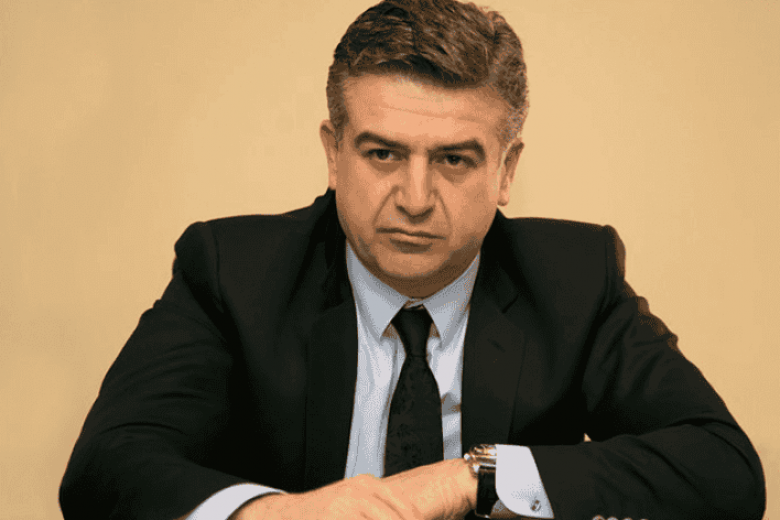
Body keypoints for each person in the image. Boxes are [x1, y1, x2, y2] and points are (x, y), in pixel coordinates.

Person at [60, 0, 766, 519]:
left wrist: (471, 480)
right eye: (382, 154)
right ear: (334, 153)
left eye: (454, 159)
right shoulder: (233, 272)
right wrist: (274, 514)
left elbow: (724, 470)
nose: (416, 198)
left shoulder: (573, 279)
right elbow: (104, 469)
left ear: (507, 170)